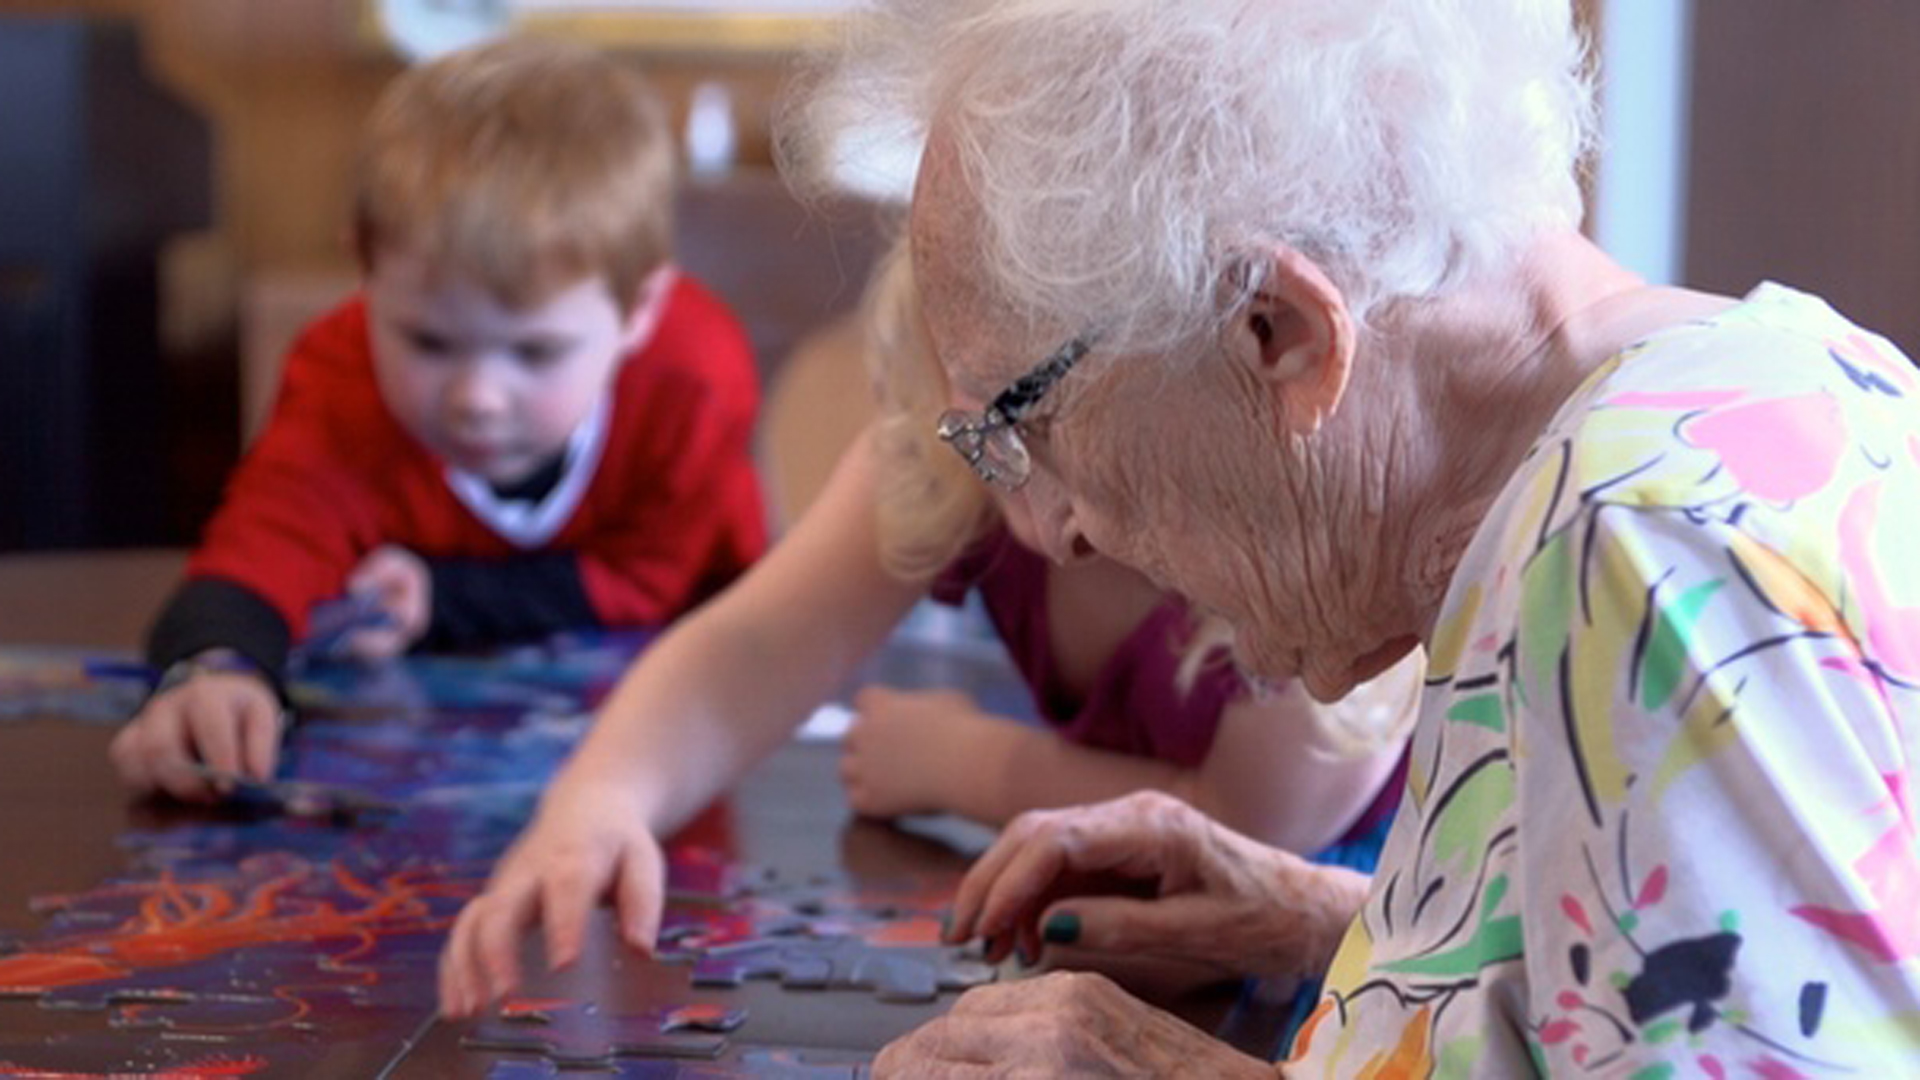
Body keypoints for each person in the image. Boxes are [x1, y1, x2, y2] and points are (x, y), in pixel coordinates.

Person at [772, 0, 1920, 1074]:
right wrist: (1341, 922)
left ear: (1280, 333)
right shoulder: (1783, 376)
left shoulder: (1641, 549)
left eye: (1026, 422)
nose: (1054, 527)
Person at [434, 239, 1418, 1019]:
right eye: (982, 423)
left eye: (1041, 418)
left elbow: (1245, 837)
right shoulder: (967, 447)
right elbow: (750, 651)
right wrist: (600, 798)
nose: (1042, 515)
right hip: (1111, 934)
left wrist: (970, 766)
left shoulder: (1301, 514)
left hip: (1361, 949)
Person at [110, 37, 766, 803]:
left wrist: (443, 599)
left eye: (536, 351)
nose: (477, 396)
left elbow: (655, 579)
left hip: (679, 750)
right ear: (365, 270)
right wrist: (216, 665)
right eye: (428, 341)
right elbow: (262, 547)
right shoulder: (340, 376)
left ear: (639, 310)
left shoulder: (695, 378)